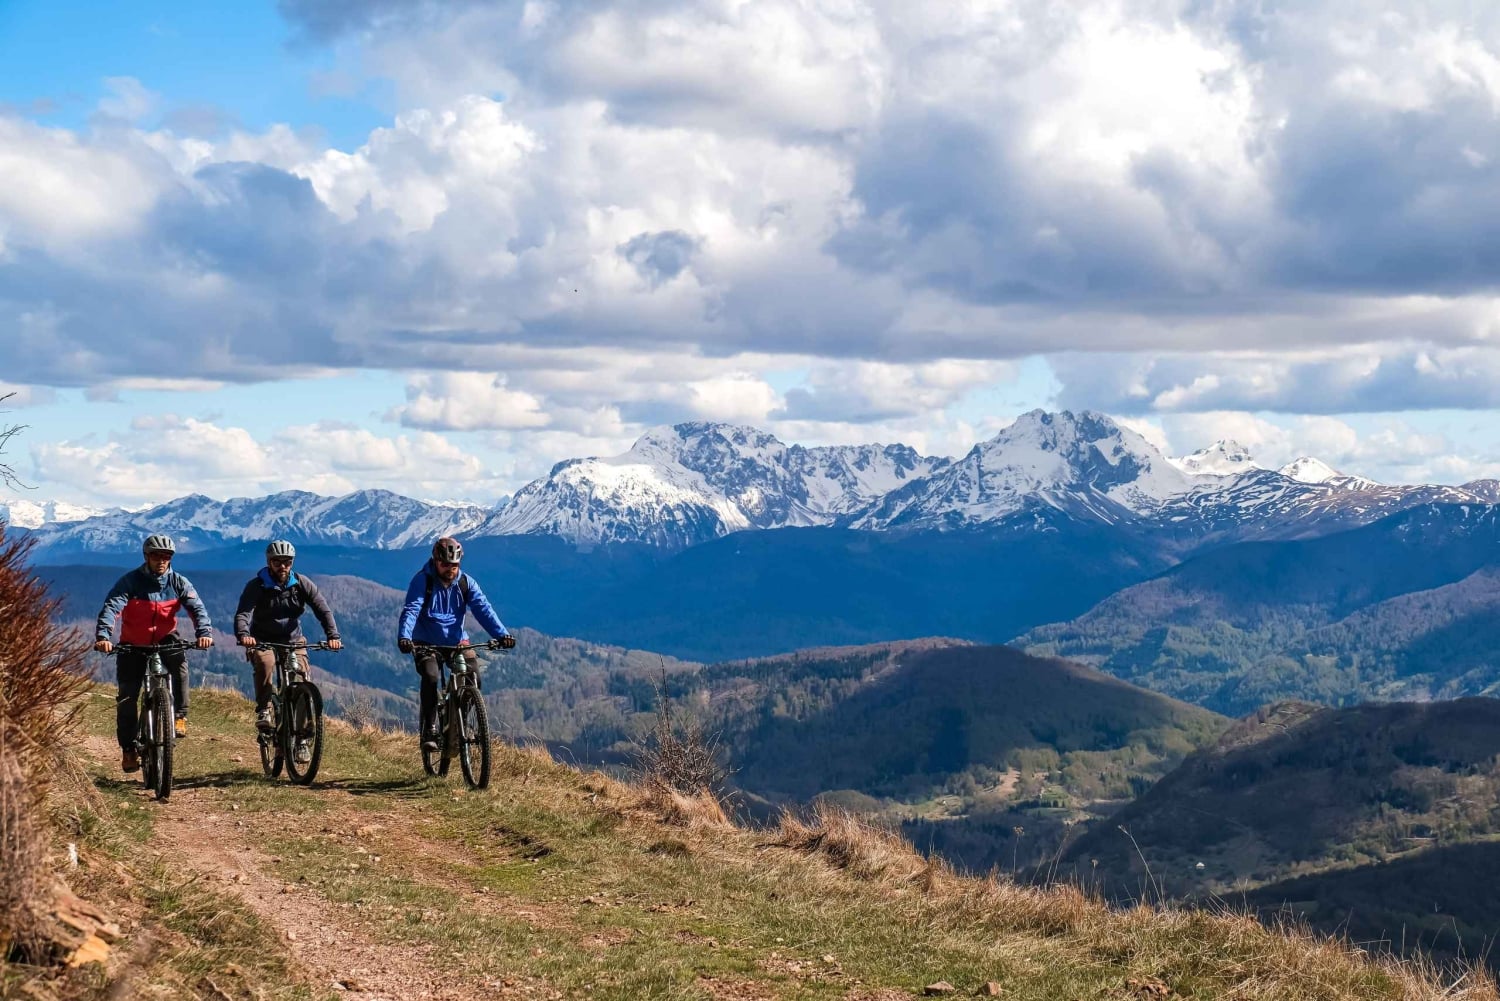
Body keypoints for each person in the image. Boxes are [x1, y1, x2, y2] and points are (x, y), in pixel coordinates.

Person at [94, 534, 214, 773]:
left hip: (165, 638)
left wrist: (204, 632)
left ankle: (180, 716)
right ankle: (128, 750)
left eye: (166, 557)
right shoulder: (130, 582)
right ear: (146, 557)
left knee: (180, 667)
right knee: (128, 697)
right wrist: (103, 637)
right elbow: (112, 607)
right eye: (157, 556)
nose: (162, 561)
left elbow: (196, 608)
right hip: (133, 643)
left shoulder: (178, 582)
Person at [396, 537, 514, 750]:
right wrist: (404, 637)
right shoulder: (422, 581)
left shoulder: (465, 583)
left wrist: (502, 634)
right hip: (425, 643)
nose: (450, 569)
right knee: (431, 676)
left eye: (455, 565)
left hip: (457, 642)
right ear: (436, 560)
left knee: (474, 678)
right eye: (445, 564)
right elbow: (411, 610)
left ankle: (460, 716)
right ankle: (430, 729)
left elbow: (483, 609)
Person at [233, 540, 342, 758]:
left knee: (301, 679)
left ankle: (301, 739)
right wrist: (244, 635)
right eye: (277, 562)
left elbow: (323, 609)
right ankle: (264, 708)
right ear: (268, 562)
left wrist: (333, 635)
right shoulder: (257, 585)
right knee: (265, 663)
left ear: (292, 563)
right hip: (262, 640)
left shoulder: (301, 583)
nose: (282, 566)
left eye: (287, 562)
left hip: (293, 640)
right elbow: (243, 613)